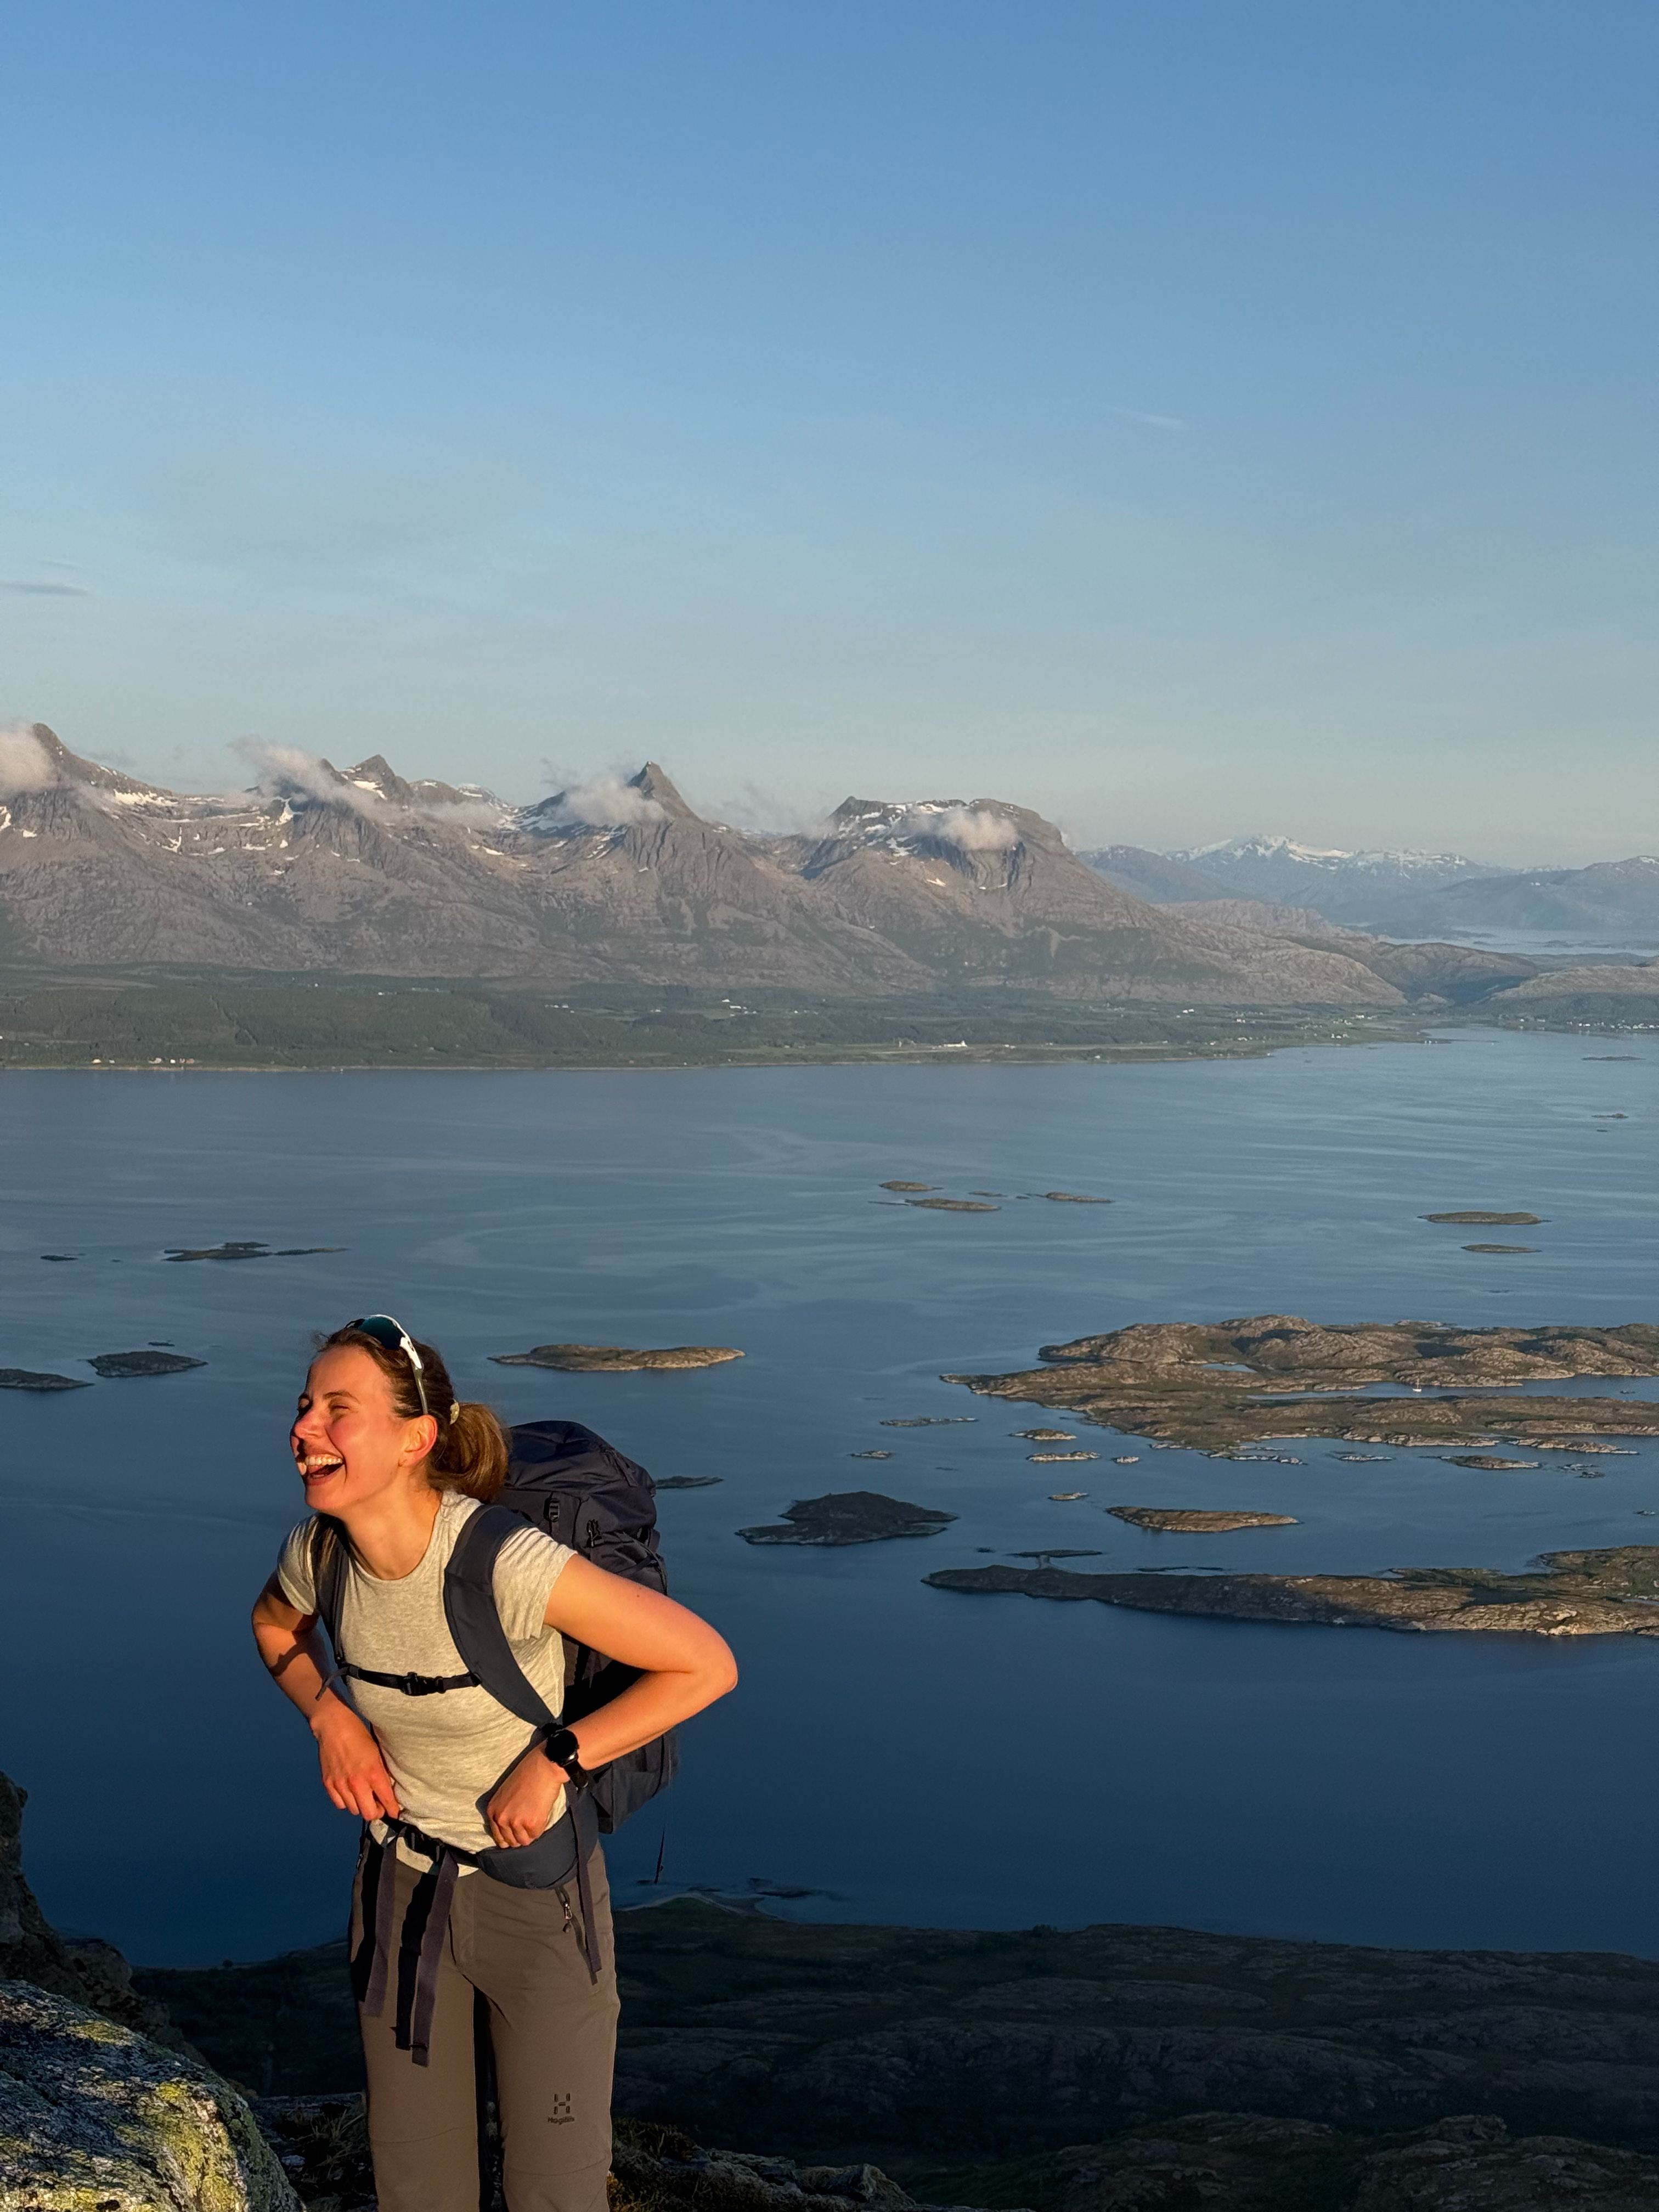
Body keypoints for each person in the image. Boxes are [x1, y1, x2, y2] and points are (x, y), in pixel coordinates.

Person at [251, 1316, 738, 2212]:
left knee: (554, 2194)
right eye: (305, 1406)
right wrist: (330, 1715)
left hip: (537, 1908)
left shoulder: (501, 1562)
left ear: (415, 1440)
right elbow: (275, 1626)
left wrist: (559, 1758)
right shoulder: (318, 1555)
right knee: (417, 2190)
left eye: (337, 1410)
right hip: (400, 1896)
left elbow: (705, 1664)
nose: (305, 1428)